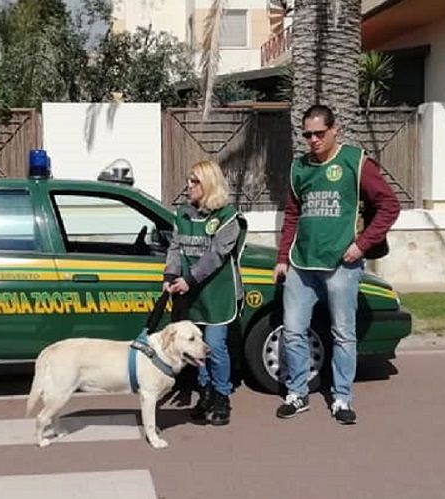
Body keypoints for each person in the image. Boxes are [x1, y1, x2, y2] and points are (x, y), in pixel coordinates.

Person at [274, 104, 400, 425]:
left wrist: (361, 245)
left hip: (341, 265)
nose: (313, 140)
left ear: (334, 130)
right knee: (293, 331)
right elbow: (292, 215)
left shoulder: (355, 161)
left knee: (343, 334)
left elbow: (389, 205)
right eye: (307, 135)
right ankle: (297, 393)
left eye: (319, 133)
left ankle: (341, 397)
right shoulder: (299, 168)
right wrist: (282, 258)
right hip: (302, 264)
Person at [164, 160, 247, 426]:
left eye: (195, 181)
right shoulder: (183, 214)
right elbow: (175, 248)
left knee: (215, 346)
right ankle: (206, 393)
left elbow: (216, 255)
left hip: (217, 293)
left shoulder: (227, 216)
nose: (188, 186)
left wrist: (189, 279)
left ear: (209, 184)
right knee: (196, 348)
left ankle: (222, 396)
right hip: (192, 293)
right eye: (189, 180)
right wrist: (170, 276)